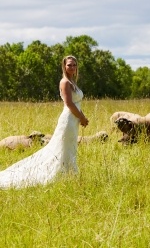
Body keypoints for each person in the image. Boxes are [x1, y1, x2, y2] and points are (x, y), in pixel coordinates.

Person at [0, 55, 89, 189]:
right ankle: (59, 174)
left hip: (74, 119)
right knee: (62, 148)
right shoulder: (64, 82)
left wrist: (82, 117)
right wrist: (81, 117)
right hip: (68, 119)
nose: (72, 67)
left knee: (70, 147)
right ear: (64, 66)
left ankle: (69, 174)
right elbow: (69, 103)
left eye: (74, 65)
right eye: (69, 65)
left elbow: (77, 104)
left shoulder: (72, 82)